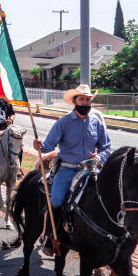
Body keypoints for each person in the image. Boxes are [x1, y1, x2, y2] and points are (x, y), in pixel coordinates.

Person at [32, 83, 111, 255]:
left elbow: (106, 147)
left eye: (88, 99)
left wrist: (99, 157)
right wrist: (40, 146)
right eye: (81, 99)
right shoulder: (63, 122)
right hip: (67, 169)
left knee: (105, 200)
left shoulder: (96, 123)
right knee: (57, 200)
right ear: (74, 101)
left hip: (90, 171)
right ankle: (49, 236)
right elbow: (48, 145)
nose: (85, 102)